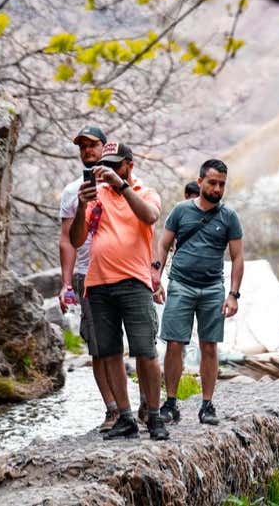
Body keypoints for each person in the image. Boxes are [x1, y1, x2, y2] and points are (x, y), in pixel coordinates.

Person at [70, 142, 169, 441]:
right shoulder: (95, 195)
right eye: (106, 166)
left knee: (145, 351)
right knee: (111, 352)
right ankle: (125, 417)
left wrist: (121, 186)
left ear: (129, 165)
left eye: (116, 165)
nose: (110, 170)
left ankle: (153, 416)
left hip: (134, 281)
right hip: (98, 283)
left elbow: (150, 217)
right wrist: (81, 206)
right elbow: (76, 239)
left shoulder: (144, 192)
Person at [152, 159, 244, 426]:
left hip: (213, 287)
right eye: (213, 182)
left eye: (222, 184)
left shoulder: (229, 217)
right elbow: (163, 244)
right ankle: (170, 403)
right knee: (174, 344)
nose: (217, 188)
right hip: (180, 283)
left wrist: (233, 295)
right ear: (201, 181)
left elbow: (237, 258)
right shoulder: (180, 211)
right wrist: (156, 275)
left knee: (209, 346)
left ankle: (207, 404)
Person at [58, 125, 118, 432]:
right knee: (98, 346)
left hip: (121, 272)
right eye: (82, 146)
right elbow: (67, 240)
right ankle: (112, 409)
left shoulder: (121, 185)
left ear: (105, 148)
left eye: (92, 145)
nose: (87, 151)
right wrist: (66, 283)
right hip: (87, 275)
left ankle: (141, 407)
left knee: (131, 341)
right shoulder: (71, 192)